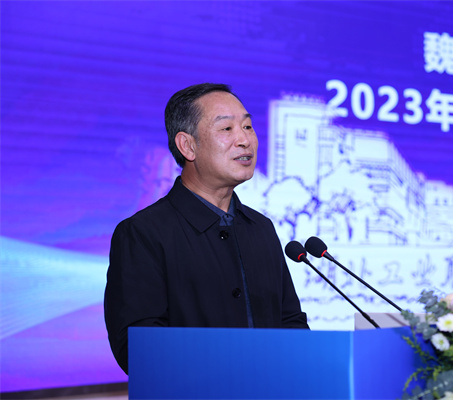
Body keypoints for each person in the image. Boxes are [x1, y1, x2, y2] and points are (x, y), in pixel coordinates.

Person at [104, 83, 309, 374]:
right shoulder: (143, 234)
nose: (244, 140)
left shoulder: (260, 228)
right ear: (188, 146)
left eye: (248, 127)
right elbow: (137, 349)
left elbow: (291, 323)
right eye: (226, 129)